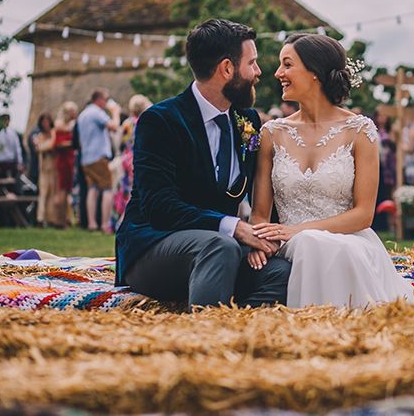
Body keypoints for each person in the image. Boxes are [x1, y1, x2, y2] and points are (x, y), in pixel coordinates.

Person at [116, 19, 290, 310]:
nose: (259, 73)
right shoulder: (160, 121)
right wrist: (234, 228)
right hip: (154, 246)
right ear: (226, 69)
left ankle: (239, 332)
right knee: (219, 246)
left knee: (279, 272)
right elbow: (159, 206)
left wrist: (259, 240)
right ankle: (206, 339)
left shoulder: (247, 120)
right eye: (253, 63)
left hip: (223, 248)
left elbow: (252, 191)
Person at [249, 33, 414, 309]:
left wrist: (298, 231)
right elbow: (259, 213)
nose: (278, 73)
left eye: (287, 65)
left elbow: (363, 214)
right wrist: (257, 240)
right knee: (309, 244)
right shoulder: (272, 133)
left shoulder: (360, 130)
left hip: (351, 241)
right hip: (291, 245)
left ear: (314, 72)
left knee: (314, 243)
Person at [76, 89, 120, 232]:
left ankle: (92, 223)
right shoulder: (96, 112)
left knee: (93, 189)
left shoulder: (83, 114)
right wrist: (115, 112)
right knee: (107, 188)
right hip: (99, 157)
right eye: (106, 99)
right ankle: (105, 224)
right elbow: (114, 127)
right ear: (99, 99)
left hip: (86, 158)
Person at [114, 94, 152, 225]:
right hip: (138, 158)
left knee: (125, 190)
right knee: (136, 191)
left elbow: (119, 143)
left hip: (125, 159)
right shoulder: (146, 121)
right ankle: (126, 220)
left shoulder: (127, 123)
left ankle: (123, 218)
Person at [0, 113, 25, 227]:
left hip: (8, 167)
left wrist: (19, 164)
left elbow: (17, 150)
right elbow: (17, 150)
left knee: (10, 194)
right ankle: (4, 221)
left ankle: (11, 222)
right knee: (0, 195)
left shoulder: (11, 133)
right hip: (2, 167)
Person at [50, 101, 77, 228]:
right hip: (64, 161)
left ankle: (63, 220)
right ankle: (58, 220)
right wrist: (72, 143)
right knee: (62, 191)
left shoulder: (68, 125)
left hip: (68, 160)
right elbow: (57, 144)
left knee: (65, 191)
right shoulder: (60, 126)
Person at [32, 113, 56, 226]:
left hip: (54, 169)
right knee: (43, 193)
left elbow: (49, 146)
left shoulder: (53, 134)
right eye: (43, 122)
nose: (45, 124)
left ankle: (51, 219)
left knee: (52, 194)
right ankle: (40, 219)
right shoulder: (40, 135)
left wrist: (41, 146)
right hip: (44, 169)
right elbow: (39, 148)